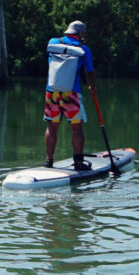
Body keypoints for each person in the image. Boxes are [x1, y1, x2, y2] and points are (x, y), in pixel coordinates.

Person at [44, 20, 97, 171]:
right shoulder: (84, 49)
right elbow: (90, 71)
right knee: (77, 129)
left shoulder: (53, 42)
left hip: (52, 91)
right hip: (71, 93)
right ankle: (79, 163)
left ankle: (49, 161)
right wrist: (92, 86)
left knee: (51, 127)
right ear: (80, 33)